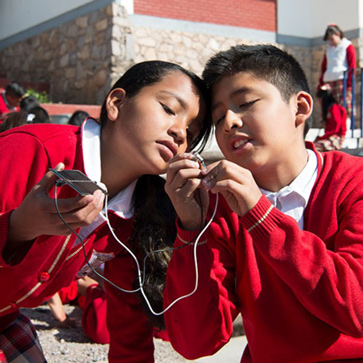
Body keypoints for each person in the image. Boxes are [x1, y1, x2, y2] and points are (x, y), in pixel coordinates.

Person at [0, 60, 211, 363]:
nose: (180, 132)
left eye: (192, 130)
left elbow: (130, 333)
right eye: (168, 108)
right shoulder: (31, 150)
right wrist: (18, 227)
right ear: (116, 103)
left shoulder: (136, 216)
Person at [163, 44, 363, 362]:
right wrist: (192, 229)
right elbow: (194, 342)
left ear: (300, 107)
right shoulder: (224, 206)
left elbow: (357, 309)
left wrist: (259, 215)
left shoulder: (354, 182)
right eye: (217, 118)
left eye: (245, 103)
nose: (229, 121)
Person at [318, 24, 356, 117]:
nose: (330, 41)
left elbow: (352, 65)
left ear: (338, 34)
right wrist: (321, 83)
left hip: (342, 80)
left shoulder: (347, 46)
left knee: (344, 105)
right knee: (329, 105)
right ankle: (331, 126)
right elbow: (324, 67)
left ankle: (345, 126)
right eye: (328, 39)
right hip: (328, 81)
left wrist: (350, 84)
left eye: (332, 38)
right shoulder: (328, 50)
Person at [314, 85, 347, 151]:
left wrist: (322, 137)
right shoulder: (330, 108)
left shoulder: (334, 108)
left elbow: (335, 129)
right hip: (330, 137)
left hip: (336, 138)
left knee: (317, 147)